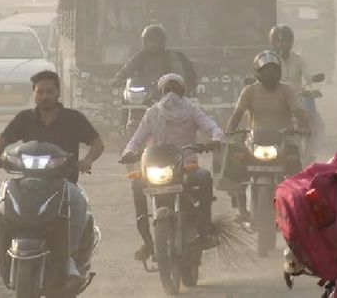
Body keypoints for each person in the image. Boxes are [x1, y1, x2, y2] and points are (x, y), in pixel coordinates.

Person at [0, 70, 104, 277]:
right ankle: (5, 257)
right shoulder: (24, 118)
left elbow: (97, 143)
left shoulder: (73, 118)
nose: (44, 96)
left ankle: (70, 257)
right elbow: (1, 142)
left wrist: (87, 161)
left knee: (78, 203)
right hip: (27, 183)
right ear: (34, 93)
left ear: (58, 93)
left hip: (63, 182)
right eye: (40, 91)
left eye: (49, 91)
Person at [120, 73, 224, 262]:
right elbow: (136, 139)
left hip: (186, 166)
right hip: (155, 169)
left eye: (175, 89)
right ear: (160, 93)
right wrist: (128, 152)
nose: (171, 94)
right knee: (136, 186)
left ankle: (205, 229)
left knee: (205, 177)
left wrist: (216, 139)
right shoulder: (152, 113)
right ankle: (147, 241)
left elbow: (212, 127)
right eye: (167, 90)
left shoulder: (192, 111)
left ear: (183, 91)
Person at [226, 50, 309, 220]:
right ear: (258, 72)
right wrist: (228, 131)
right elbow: (237, 114)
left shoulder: (286, 90)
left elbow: (298, 111)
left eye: (274, 70)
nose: (270, 74)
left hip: (284, 139)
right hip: (255, 140)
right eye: (266, 70)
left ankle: (298, 207)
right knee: (236, 165)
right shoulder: (249, 91)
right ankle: (240, 206)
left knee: (295, 170)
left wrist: (304, 126)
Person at [113, 24, 198, 118]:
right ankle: (124, 125)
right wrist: (118, 79)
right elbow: (127, 70)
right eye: (148, 40)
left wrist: (175, 83)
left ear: (162, 41)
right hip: (143, 95)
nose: (151, 43)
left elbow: (178, 74)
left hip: (164, 95)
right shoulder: (139, 57)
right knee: (125, 101)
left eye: (154, 40)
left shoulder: (170, 57)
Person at [270, 24, 325, 162]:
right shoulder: (269, 60)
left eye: (284, 40)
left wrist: (312, 87)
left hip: (297, 99)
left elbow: (308, 76)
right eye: (277, 41)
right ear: (272, 43)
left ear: (291, 42)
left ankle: (309, 153)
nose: (281, 44)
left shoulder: (299, 59)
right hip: (274, 98)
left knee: (314, 121)